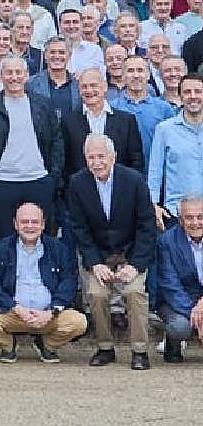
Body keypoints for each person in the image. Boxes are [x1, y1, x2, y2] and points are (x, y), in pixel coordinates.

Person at [66, 133, 157, 370]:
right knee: (96, 295)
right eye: (91, 157)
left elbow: (147, 226)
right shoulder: (77, 183)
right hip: (99, 253)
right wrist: (95, 263)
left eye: (101, 156)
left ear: (113, 156)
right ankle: (105, 347)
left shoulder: (134, 180)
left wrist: (135, 265)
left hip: (130, 251)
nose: (96, 162)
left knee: (134, 292)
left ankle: (139, 351)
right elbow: (79, 228)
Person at [0, 202, 87, 363]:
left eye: (35, 222)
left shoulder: (58, 249)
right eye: (25, 222)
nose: (30, 226)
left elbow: (68, 282)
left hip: (49, 315)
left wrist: (52, 311)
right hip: (13, 313)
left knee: (79, 322)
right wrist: (16, 308)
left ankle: (47, 346)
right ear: (15, 224)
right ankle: (8, 346)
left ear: (43, 224)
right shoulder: (2, 248)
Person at [0, 56, 64, 243]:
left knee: (43, 240)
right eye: (8, 72)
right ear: (0, 76)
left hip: (38, 181)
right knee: (2, 241)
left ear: (27, 75)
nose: (14, 77)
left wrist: (52, 177)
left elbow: (56, 141)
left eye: (18, 72)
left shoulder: (43, 104)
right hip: (1, 183)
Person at [61, 68, 144, 177]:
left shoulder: (126, 120)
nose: (89, 90)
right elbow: (66, 163)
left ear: (104, 86)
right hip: (82, 189)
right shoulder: (68, 122)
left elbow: (136, 160)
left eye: (93, 85)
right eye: (84, 87)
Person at [148, 73, 203, 227]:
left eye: (198, 91)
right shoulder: (165, 130)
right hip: (177, 214)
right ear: (180, 96)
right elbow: (155, 172)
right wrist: (153, 205)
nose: (193, 96)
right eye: (187, 92)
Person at [158, 194, 203, 363]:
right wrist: (197, 314)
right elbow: (170, 285)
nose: (196, 223)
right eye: (189, 218)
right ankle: (173, 344)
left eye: (200, 217)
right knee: (180, 327)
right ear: (180, 220)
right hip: (176, 301)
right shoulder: (167, 242)